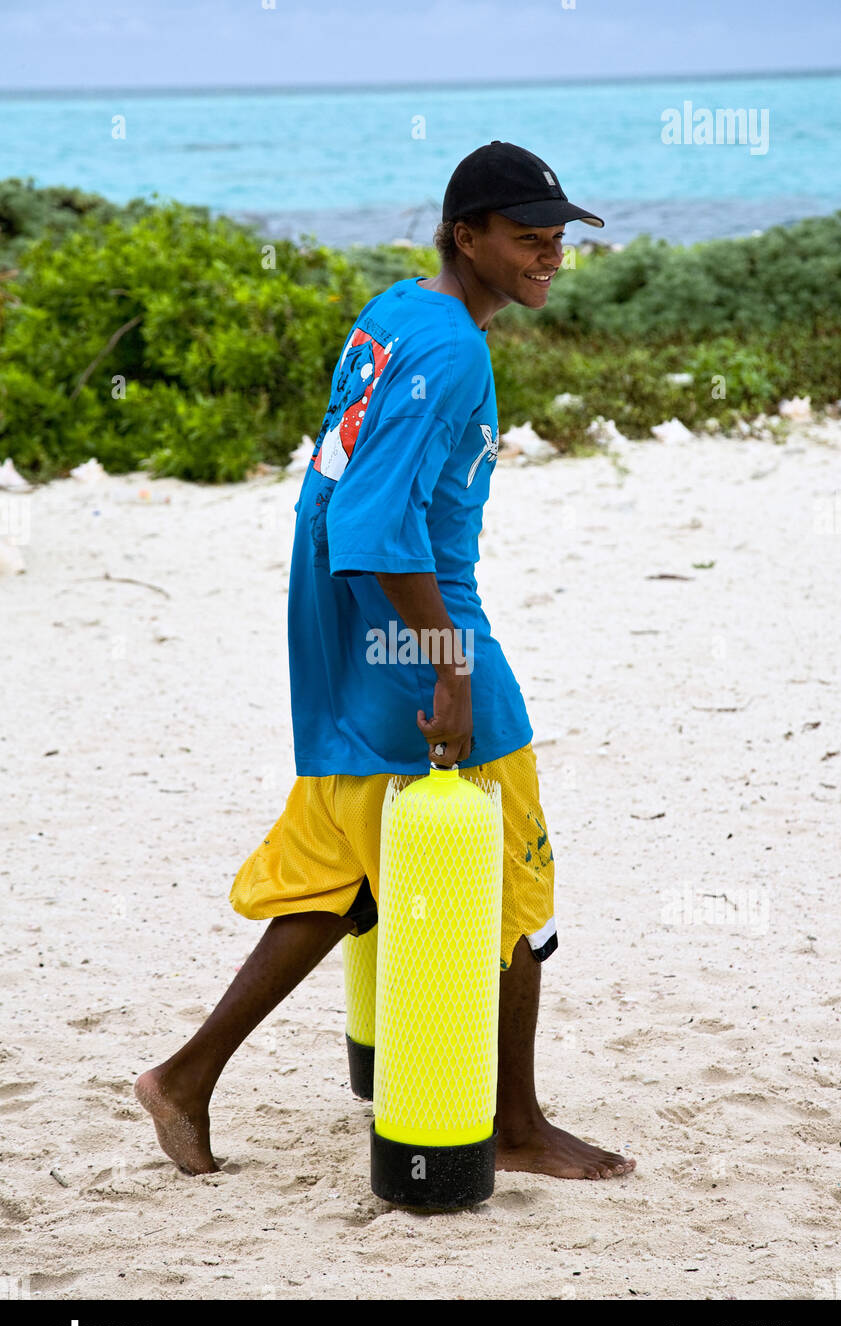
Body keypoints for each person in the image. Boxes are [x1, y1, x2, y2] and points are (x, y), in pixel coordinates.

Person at [135, 141, 637, 1183]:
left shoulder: (396, 310)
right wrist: (449, 670)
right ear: (468, 236)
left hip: (342, 625)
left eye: (558, 241)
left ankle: (184, 1078)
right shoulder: (450, 348)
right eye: (528, 239)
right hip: (418, 626)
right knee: (512, 881)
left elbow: (337, 488)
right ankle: (517, 1124)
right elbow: (371, 523)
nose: (549, 258)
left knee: (342, 869)